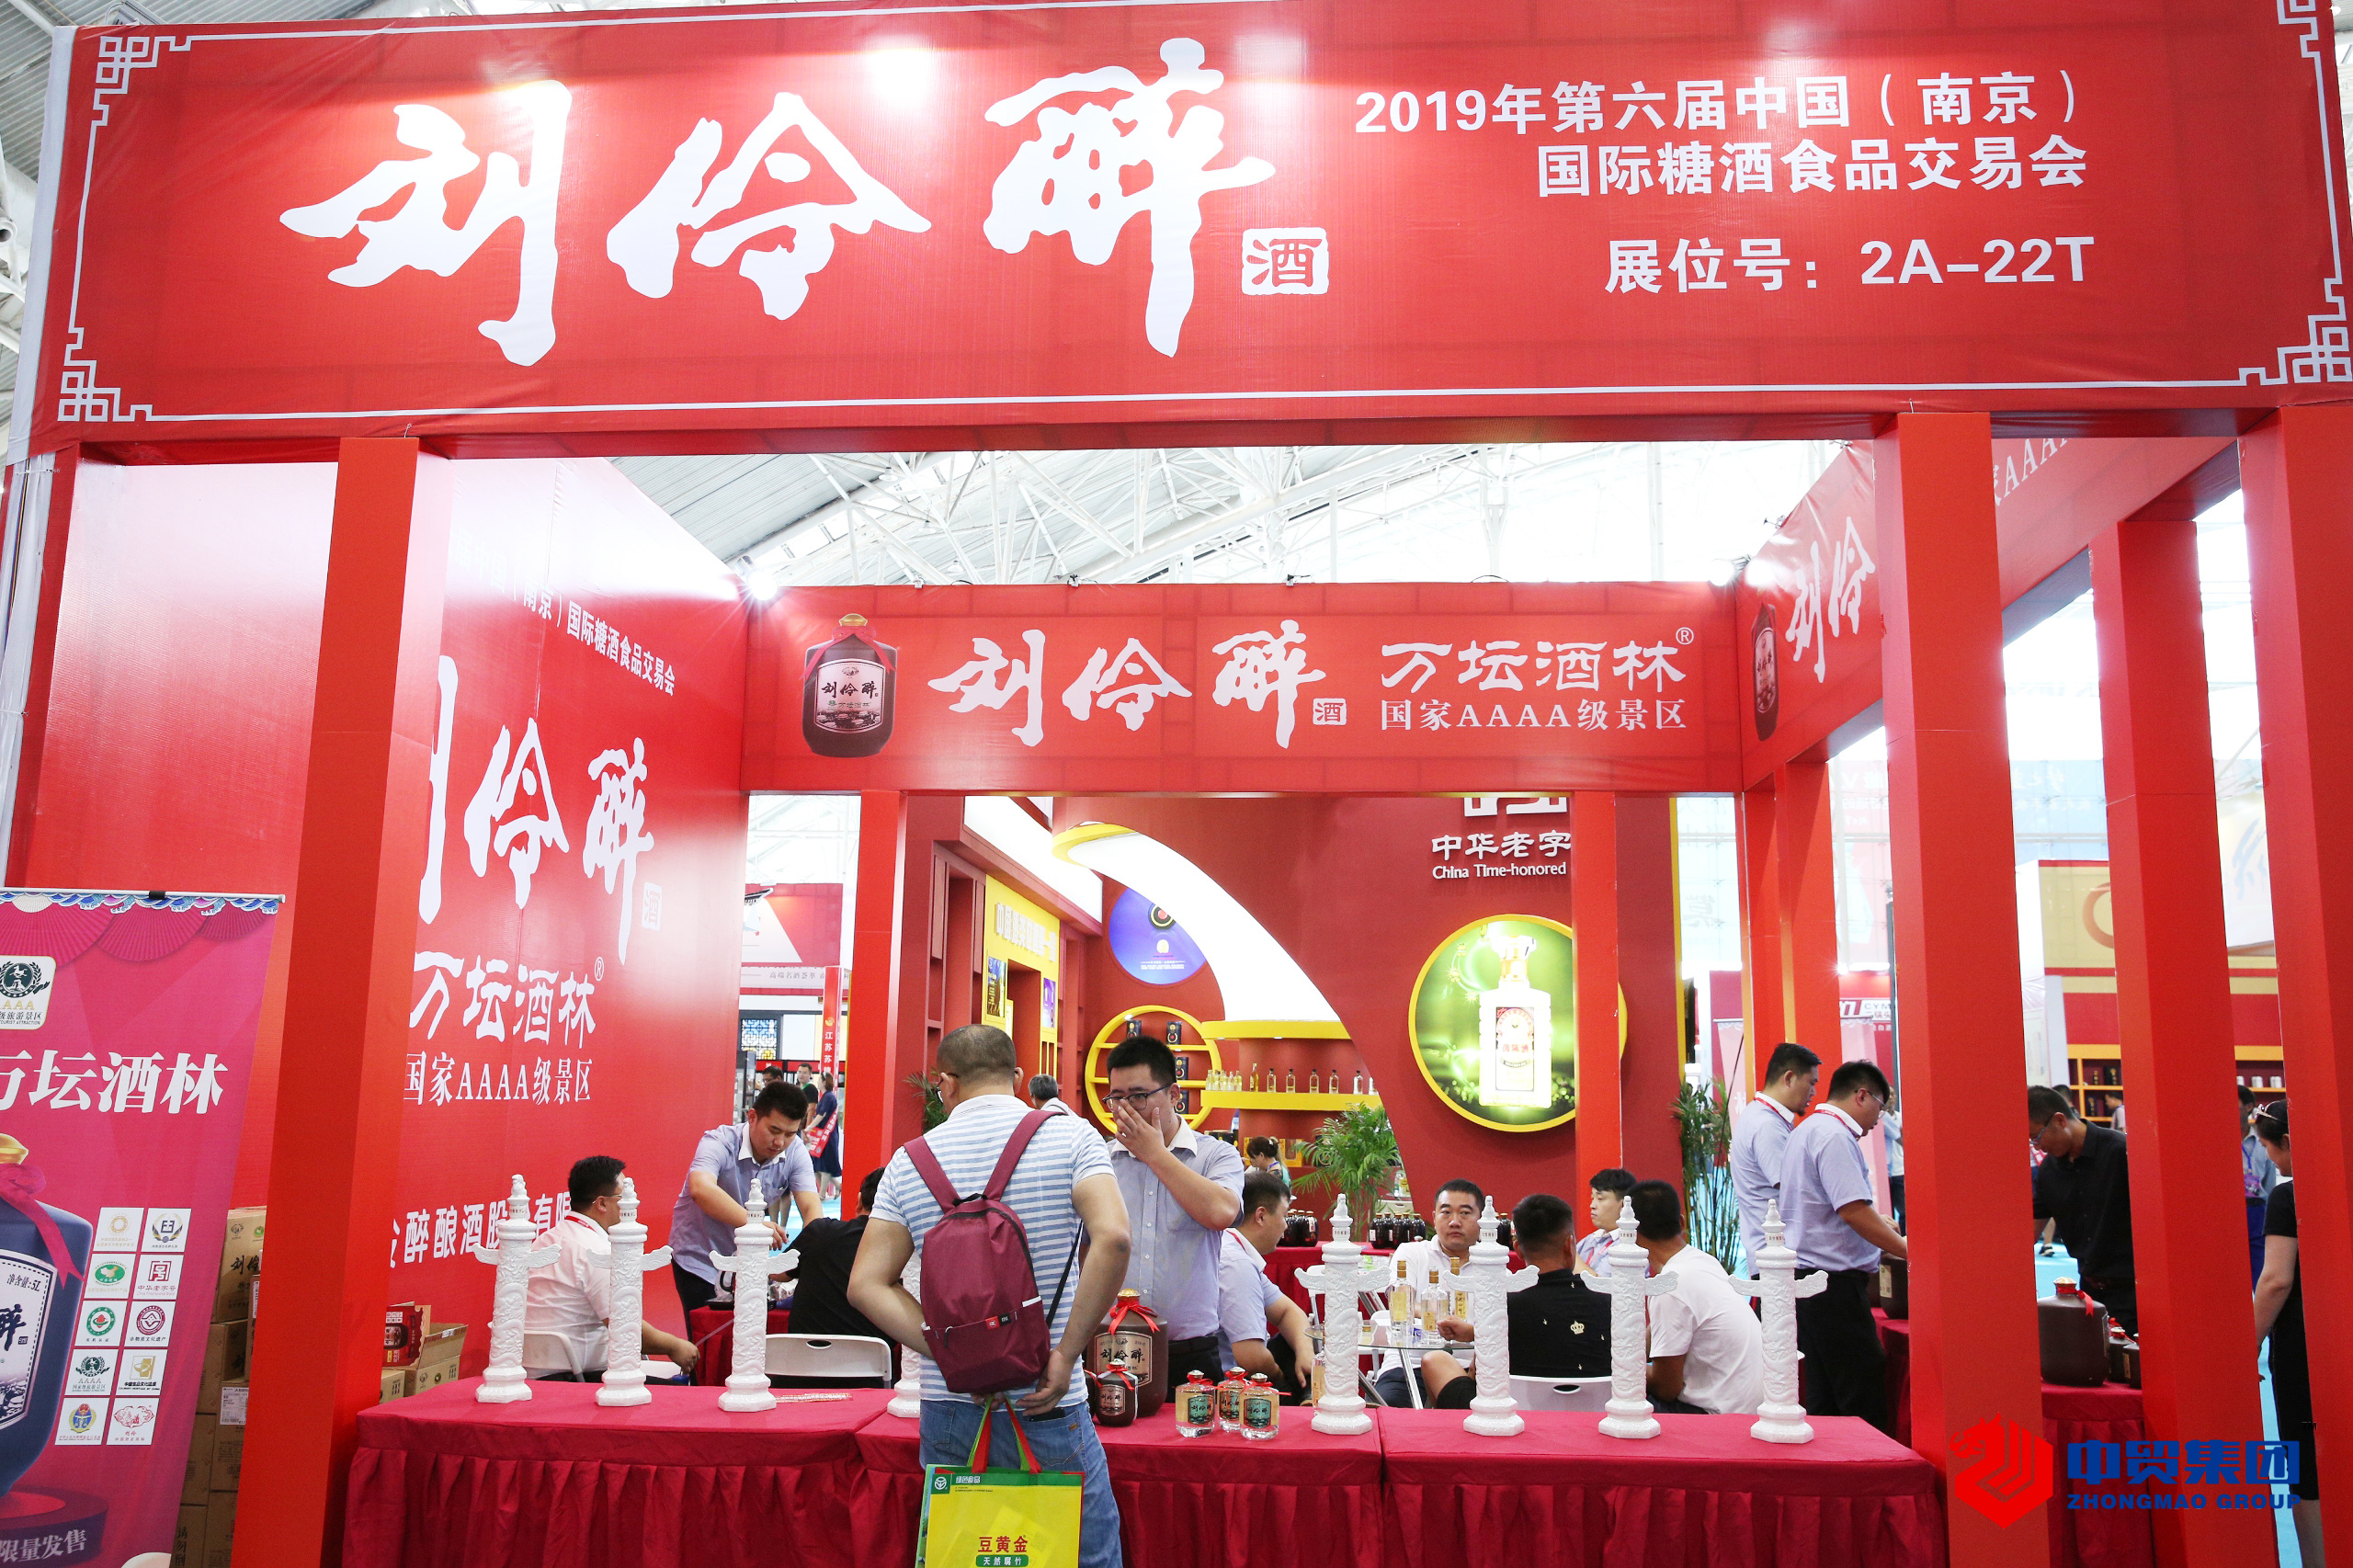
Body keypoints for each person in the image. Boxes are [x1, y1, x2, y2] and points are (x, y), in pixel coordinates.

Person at [849, 1025, 1132, 1568]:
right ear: (1019, 1078)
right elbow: (1114, 1238)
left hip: (953, 1405)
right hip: (1048, 1395)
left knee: (963, 1554)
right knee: (1082, 1555)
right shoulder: (1073, 1139)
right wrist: (1065, 1353)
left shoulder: (909, 1161)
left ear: (946, 1085)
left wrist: (958, 1354)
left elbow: (866, 1284)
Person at [1104, 1036, 1245, 1387]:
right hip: (1114, 1344)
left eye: (1138, 1096)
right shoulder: (1102, 1160)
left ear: (1174, 1095)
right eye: (1117, 1098)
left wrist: (1155, 1154)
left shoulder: (1215, 1155)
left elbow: (1221, 1213)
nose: (1125, 1109)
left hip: (1191, 1351)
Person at [1780, 1059, 1906, 1433]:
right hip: (1833, 1285)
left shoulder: (1808, 1129)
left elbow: (1834, 1206)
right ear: (1862, 1096)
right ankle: (1870, 1466)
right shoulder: (1835, 1135)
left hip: (1809, 1280)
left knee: (1825, 1394)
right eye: (1881, 1108)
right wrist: (1907, 1250)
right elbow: (1852, 1211)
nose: (1879, 1119)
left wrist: (1875, 1219)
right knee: (1860, 1388)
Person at [1406, 1192, 1610, 1409]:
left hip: (1511, 1418)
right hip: (1598, 1415)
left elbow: (1478, 1374)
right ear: (1570, 1245)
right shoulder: (1608, 1302)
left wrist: (1478, 1333)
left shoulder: (1502, 1306)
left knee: (1436, 1360)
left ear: (1518, 1250)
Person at [525, 1155, 699, 1379]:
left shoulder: (543, 1241)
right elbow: (625, 1329)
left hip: (530, 1372)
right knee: (677, 1392)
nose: (632, 1204)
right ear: (601, 1203)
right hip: (579, 1376)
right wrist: (676, 1346)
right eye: (623, 1197)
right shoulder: (598, 1253)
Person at [668, 1082, 821, 1315]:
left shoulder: (795, 1152)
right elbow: (700, 1188)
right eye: (774, 1130)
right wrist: (755, 1225)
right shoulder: (718, 1141)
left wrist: (807, 1252)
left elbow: (811, 1209)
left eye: (790, 1134)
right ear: (752, 1117)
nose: (780, 1142)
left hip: (750, 1264)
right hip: (700, 1258)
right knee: (708, 1332)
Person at [2251, 1099, 2323, 1565]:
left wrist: (2249, 1343)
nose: (2270, 1158)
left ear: (2289, 1143)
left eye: (2269, 1148)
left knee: (2307, 1465)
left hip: (2305, 1349)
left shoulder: (2289, 1196)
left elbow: (2276, 1279)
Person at [1631, 1180, 1762, 1415]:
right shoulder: (1703, 1261)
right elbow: (1657, 1333)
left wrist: (1621, 1366)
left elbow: (1667, 1388)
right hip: (1755, 1409)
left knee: (1622, 1396)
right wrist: (1624, 1348)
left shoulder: (1668, 1286)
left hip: (1719, 1418)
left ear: (1630, 1235)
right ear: (1682, 1222)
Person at [2028, 1084, 2137, 1334]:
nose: (2037, 1146)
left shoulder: (2120, 1152)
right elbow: (2031, 1229)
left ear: (2060, 1120)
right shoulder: (2048, 1172)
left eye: (2037, 1136)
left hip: (2135, 1291)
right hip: (2089, 1293)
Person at [1216, 1168, 1316, 1397]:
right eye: (1284, 1215)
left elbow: (1289, 1312)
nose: (1286, 1226)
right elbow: (1252, 1358)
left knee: (1297, 1345)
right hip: (1230, 1391)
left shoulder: (1233, 1249)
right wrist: (1282, 1379)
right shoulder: (1236, 1263)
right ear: (1261, 1216)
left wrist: (1305, 1353)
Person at [1730, 1042, 1823, 1271]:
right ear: (1789, 1078)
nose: (1813, 1092)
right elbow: (1797, 1190)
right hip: (1776, 1261)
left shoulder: (1761, 1116)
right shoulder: (1767, 1125)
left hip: (1774, 1257)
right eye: (1811, 1083)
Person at [785, 1167, 889, 1346]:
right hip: (871, 1361)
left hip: (803, 1359)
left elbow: (777, 1272)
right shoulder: (909, 1252)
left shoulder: (820, 1232)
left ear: (859, 1201)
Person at [2241, 1085, 2279, 1288]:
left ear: (2248, 1107)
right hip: (2228, 1210)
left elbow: (2270, 1181)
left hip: (2257, 1208)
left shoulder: (2261, 1141)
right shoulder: (2217, 1140)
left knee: (2261, 1265)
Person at [1574, 1167, 1636, 1273]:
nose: (1592, 1205)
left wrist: (1570, 1252)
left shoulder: (1629, 1244)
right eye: (1592, 1198)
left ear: (1623, 1205)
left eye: (1600, 1199)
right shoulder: (1590, 1239)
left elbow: (1600, 1282)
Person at [806, 1072, 844, 1201]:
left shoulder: (829, 1097)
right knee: (816, 1166)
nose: (817, 1082)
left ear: (824, 1082)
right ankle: (837, 1186)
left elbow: (821, 1115)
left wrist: (809, 1127)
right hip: (821, 1136)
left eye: (819, 1080)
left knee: (824, 1166)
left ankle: (822, 1194)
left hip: (827, 1136)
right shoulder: (824, 1097)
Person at [1880, 1096, 1905, 1231]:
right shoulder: (1881, 1116)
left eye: (1893, 1094)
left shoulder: (1901, 1117)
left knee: (1903, 1211)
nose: (1890, 1098)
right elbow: (1900, 1139)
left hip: (1899, 1170)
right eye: (1887, 1094)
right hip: (1885, 1172)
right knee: (1887, 1213)